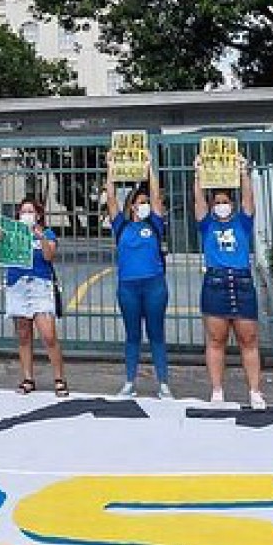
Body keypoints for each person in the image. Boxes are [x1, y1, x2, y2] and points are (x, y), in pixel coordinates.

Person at [194, 152, 265, 408]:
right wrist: (198, 174)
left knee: (249, 339)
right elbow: (198, 204)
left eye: (225, 201)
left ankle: (255, 391)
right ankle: (216, 390)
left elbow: (249, 201)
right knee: (216, 340)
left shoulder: (242, 224)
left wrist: (244, 172)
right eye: (217, 202)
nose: (221, 205)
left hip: (242, 283)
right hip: (216, 282)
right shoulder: (207, 226)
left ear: (231, 205)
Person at [106, 159, 172, 399]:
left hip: (154, 285)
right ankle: (129, 381)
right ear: (132, 206)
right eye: (140, 202)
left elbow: (156, 196)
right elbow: (111, 199)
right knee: (132, 335)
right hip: (128, 288)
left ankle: (163, 383)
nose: (145, 205)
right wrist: (110, 169)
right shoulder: (121, 226)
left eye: (147, 202)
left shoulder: (154, 224)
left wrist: (150, 168)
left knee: (156, 334)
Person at [2, 197, 67, 397]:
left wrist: (41, 238)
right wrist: (1, 236)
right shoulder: (14, 233)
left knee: (48, 335)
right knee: (23, 334)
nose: (26, 215)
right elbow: (2, 250)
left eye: (30, 211)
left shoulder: (46, 233)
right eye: (23, 212)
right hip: (18, 284)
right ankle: (28, 378)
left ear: (38, 215)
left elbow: (49, 256)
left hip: (39, 284)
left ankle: (59, 378)